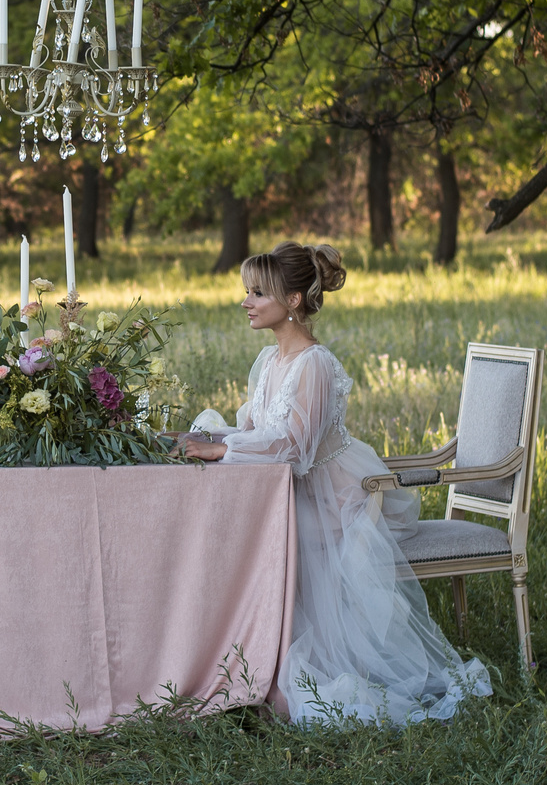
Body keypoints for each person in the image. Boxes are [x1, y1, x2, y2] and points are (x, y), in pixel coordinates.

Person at [178, 241, 492, 725]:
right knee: (228, 527)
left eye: (258, 293)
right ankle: (229, 658)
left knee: (253, 540)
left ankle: (265, 663)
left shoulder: (315, 364)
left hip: (334, 494)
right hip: (292, 486)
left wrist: (222, 452)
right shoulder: (267, 362)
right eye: (247, 291)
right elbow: (254, 430)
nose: (246, 302)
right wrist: (206, 436)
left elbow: (294, 447)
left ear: (294, 301)